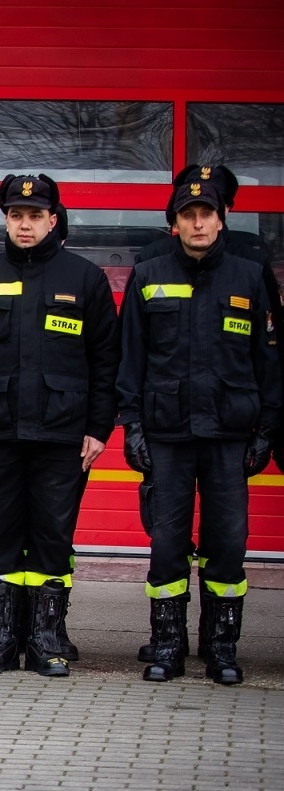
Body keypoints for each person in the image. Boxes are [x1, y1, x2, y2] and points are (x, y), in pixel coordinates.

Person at [0, 174, 119, 678]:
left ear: (52, 219)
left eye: (35, 215)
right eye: (16, 216)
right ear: (6, 219)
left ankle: (45, 640)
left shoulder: (84, 279)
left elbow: (106, 361)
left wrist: (98, 428)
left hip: (63, 434)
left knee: (52, 535)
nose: (25, 224)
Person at [118, 173, 279, 685]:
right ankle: (167, 644)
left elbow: (269, 361)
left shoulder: (250, 277)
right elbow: (131, 359)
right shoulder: (149, 274)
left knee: (228, 541)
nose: (198, 223)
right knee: (167, 542)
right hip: (167, 432)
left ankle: (221, 647)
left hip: (230, 433)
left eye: (206, 214)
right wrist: (132, 425)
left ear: (221, 218)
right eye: (187, 215)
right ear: (174, 224)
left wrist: (266, 427)